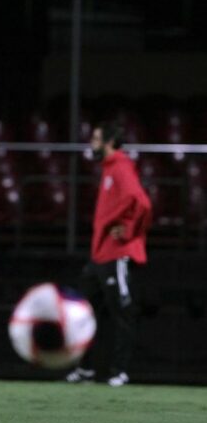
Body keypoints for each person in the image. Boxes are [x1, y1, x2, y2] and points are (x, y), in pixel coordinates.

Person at [67, 122, 151, 387]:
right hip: (99, 254)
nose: (92, 144)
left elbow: (143, 203)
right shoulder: (109, 168)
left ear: (110, 142)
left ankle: (120, 371)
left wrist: (126, 231)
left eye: (96, 139)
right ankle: (86, 369)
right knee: (85, 310)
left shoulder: (121, 166)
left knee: (121, 313)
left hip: (116, 254)